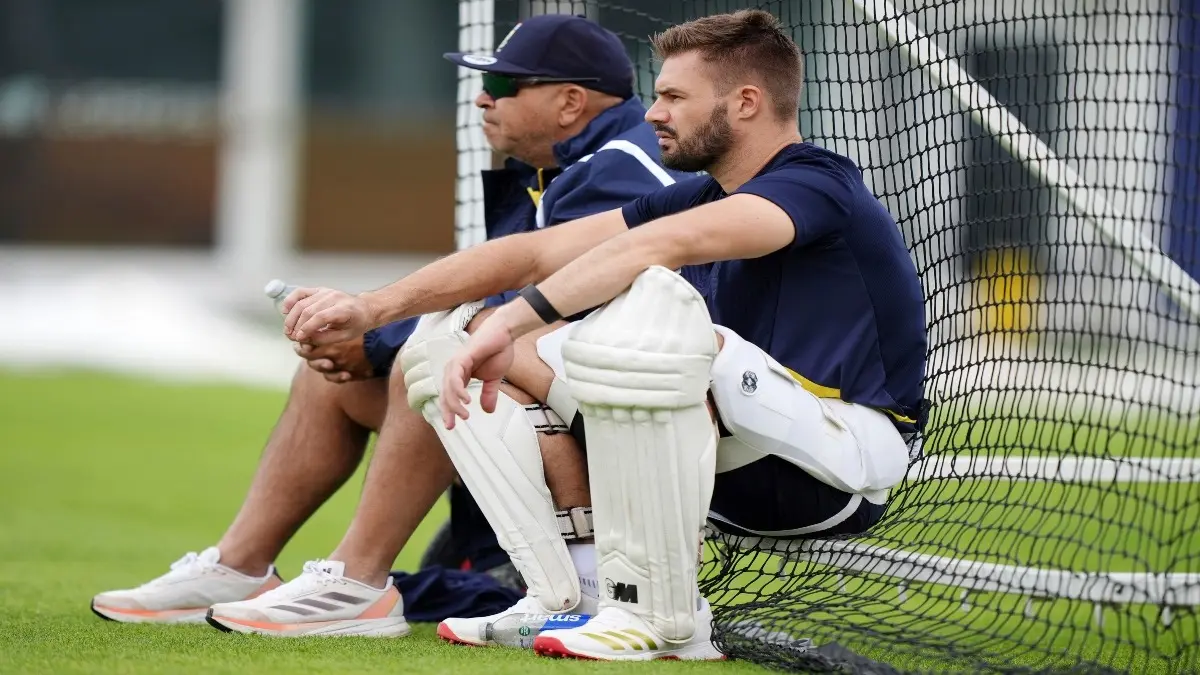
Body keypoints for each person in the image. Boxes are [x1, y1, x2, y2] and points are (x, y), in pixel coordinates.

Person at [279, 8, 928, 661]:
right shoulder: (700, 193)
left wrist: (512, 319)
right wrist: (372, 308)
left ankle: (662, 618)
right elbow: (534, 254)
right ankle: (564, 595)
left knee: (652, 335)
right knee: (448, 339)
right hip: (737, 461)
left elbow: (670, 243)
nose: (653, 111)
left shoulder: (818, 182)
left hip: (842, 460)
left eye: (674, 96)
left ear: (747, 102)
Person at [90, 13, 686, 637]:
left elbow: (546, 304)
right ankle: (240, 566)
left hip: (635, 427)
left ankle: (359, 582)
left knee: (430, 359)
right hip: (568, 402)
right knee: (338, 381)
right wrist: (367, 347)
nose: (484, 97)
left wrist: (376, 340)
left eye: (505, 86)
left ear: (570, 101)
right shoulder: (559, 169)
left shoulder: (622, 166)